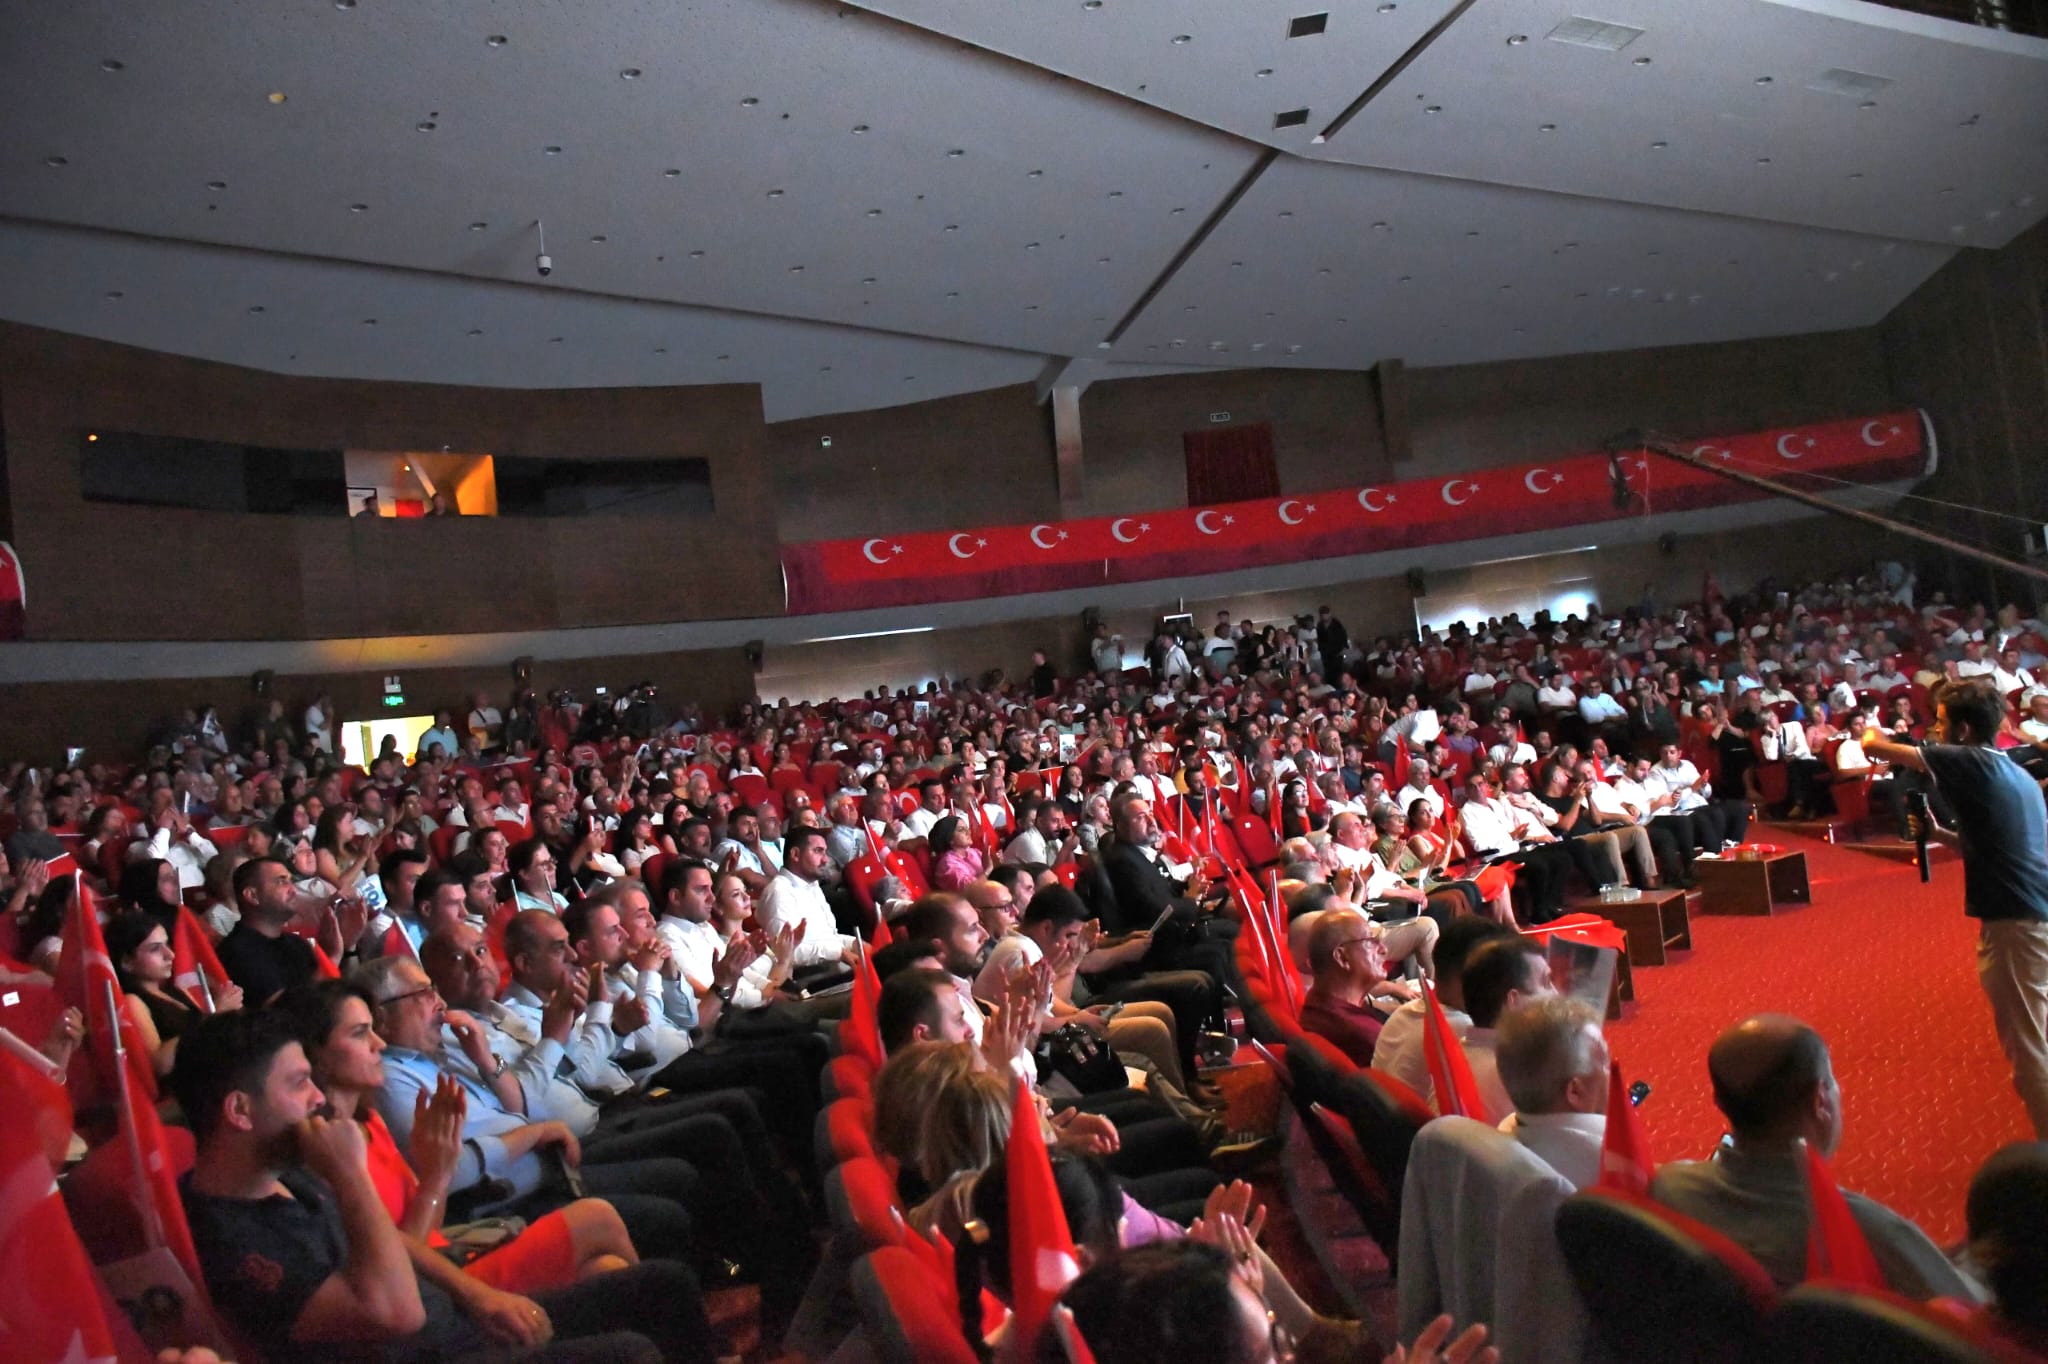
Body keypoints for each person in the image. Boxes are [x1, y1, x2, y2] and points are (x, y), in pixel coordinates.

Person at [171, 1008, 716, 1363]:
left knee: (661, 1284)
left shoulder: (282, 1171)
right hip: (438, 1353)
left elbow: (394, 1237)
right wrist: (350, 1174)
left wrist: (477, 1295)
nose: (318, 1098)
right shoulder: (231, 1236)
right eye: (298, 1084)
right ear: (239, 1111)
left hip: (461, 1317)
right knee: (633, 1351)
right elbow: (396, 1314)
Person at [1649, 1014, 1982, 1300]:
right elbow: (1968, 1315)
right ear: (1820, 1100)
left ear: (1719, 1103)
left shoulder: (1668, 1189)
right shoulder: (1868, 1232)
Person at [1857, 679, 2048, 1138]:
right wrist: (1940, 834)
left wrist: (1868, 731)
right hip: (2032, 912)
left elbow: (1876, 747)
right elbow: (1994, 846)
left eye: (1940, 723)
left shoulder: (1971, 760)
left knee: (2032, 1051)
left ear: (1962, 731)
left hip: (2016, 920)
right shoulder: (2013, 772)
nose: (1935, 730)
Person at [107, 910, 243, 1077]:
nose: (170, 955)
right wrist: (213, 1015)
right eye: (155, 949)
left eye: (167, 944)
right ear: (127, 962)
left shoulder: (176, 990)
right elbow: (160, 1064)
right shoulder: (132, 1001)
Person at [1493, 995, 1608, 1190]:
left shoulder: (1503, 1130)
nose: (1613, 1068)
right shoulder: (1613, 1156)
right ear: (1575, 1092)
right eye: (1604, 1062)